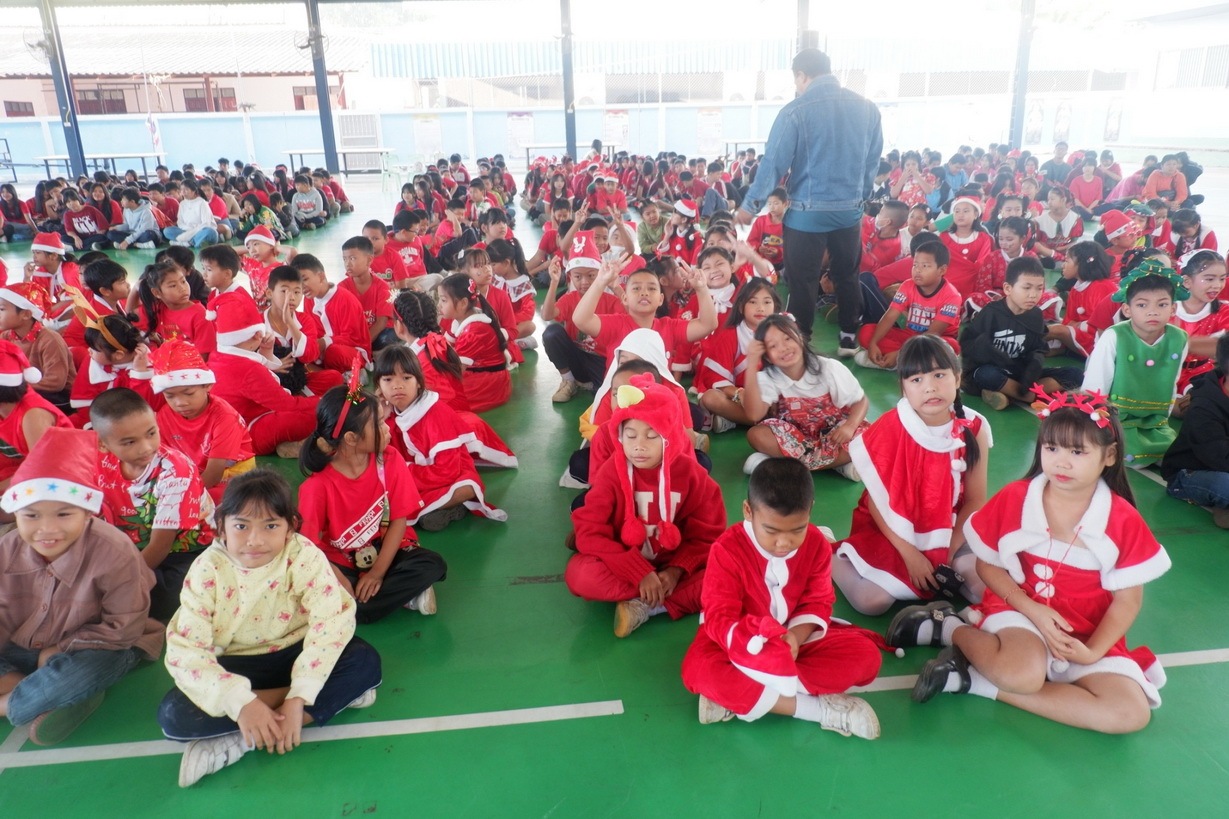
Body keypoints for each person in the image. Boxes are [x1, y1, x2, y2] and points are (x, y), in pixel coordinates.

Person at [891, 393, 1171, 733]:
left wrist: (1092, 652)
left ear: (1109, 455)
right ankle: (951, 628)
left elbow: (1128, 601)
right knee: (1022, 676)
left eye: (1077, 452)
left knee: (1129, 714)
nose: (1061, 462)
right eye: (1051, 448)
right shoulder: (1017, 497)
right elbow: (987, 566)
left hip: (1084, 631)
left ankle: (971, 681)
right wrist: (1033, 610)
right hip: (1020, 611)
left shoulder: (1123, 518)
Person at [157, 470, 382, 787]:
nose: (255, 540)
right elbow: (186, 651)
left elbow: (332, 620)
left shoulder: (302, 555)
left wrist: (298, 696)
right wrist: (242, 703)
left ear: (291, 526)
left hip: (297, 653)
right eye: (241, 526)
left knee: (363, 660)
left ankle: (245, 737)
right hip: (237, 663)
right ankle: (308, 707)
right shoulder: (208, 569)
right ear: (221, 526)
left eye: (271, 526)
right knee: (174, 714)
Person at [680, 457, 882, 736]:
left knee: (866, 656)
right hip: (739, 644)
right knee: (698, 669)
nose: (784, 542)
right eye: (771, 531)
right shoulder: (726, 550)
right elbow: (719, 617)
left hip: (794, 641)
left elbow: (818, 602)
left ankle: (741, 697)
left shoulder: (816, 544)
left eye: (797, 529)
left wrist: (793, 640)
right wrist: (756, 654)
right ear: (748, 511)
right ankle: (818, 709)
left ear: (810, 510)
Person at [0, 428, 163, 745]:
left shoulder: (115, 552)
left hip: (98, 648)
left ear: (87, 512)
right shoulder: (7, 548)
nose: (47, 529)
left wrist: (59, 650)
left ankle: (13, 703)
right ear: (15, 515)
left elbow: (124, 628)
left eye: (64, 514)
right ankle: (39, 690)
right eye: (31, 515)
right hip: (27, 645)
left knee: (88, 669)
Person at [833, 335, 992, 615]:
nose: (930, 387)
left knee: (984, 588)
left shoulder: (974, 427)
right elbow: (876, 503)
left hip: (952, 530)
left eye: (939, 375)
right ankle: (826, 551)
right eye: (916, 379)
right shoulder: (891, 428)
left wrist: (948, 553)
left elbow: (975, 500)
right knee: (872, 601)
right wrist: (911, 556)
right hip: (895, 530)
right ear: (903, 388)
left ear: (957, 378)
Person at [737, 49, 881, 353]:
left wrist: (750, 205)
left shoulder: (795, 111)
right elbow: (872, 161)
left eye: (796, 81)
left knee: (802, 279)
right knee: (847, 275)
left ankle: (800, 338)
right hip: (848, 213)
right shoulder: (868, 108)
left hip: (807, 214)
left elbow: (774, 163)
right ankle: (848, 336)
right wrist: (860, 197)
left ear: (801, 75)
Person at [566, 375, 726, 637]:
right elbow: (590, 529)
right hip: (626, 562)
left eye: (652, 436)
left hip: (674, 565)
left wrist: (676, 570)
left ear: (670, 436)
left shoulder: (694, 476)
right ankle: (662, 598)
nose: (639, 446)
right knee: (579, 575)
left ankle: (647, 606)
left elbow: (708, 535)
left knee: (727, 573)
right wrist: (639, 573)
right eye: (630, 435)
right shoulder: (611, 472)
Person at [298, 383, 448, 623]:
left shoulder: (389, 459)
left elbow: (399, 520)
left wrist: (377, 573)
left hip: (389, 547)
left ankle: (364, 604)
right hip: (343, 562)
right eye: (378, 423)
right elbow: (309, 548)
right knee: (320, 585)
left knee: (432, 564)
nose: (387, 427)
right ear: (351, 438)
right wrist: (340, 581)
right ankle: (401, 596)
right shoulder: (316, 487)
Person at [91, 388, 213, 622]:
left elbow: (161, 545)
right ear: (102, 444)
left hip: (186, 551)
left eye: (151, 433)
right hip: (129, 547)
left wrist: (118, 583)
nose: (146, 447)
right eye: (129, 442)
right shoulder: (96, 461)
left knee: (170, 594)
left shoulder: (176, 471)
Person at [375, 346, 507, 531]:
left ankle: (442, 506)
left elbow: (448, 471)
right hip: (416, 476)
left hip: (448, 474)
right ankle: (440, 508)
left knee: (466, 488)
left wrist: (404, 474)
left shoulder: (436, 413)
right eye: (388, 379)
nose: (397, 385)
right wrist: (380, 415)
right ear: (379, 386)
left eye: (406, 378)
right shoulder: (388, 412)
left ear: (419, 382)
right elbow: (380, 454)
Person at [1082, 260, 1189, 467]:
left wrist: (1163, 419)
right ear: (1127, 309)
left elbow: (1172, 383)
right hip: (1115, 418)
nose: (1152, 311)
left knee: (1178, 452)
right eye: (1142, 305)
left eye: (1162, 304)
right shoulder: (1115, 336)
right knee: (1127, 453)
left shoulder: (1179, 339)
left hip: (1154, 422)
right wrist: (1094, 422)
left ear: (1173, 308)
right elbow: (1095, 385)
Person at [740, 313, 868, 478]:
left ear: (800, 337)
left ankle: (779, 465)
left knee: (868, 437)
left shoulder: (829, 368)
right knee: (756, 434)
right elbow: (754, 415)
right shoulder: (768, 377)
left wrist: (850, 426)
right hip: (796, 440)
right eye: (773, 346)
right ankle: (836, 465)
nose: (783, 348)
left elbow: (861, 401)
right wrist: (751, 364)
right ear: (767, 357)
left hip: (835, 434)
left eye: (787, 338)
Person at [961, 256, 1083, 410]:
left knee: (1075, 374)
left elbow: (1038, 348)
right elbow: (969, 345)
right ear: (1008, 288)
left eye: (1039, 288)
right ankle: (1029, 397)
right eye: (1027, 288)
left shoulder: (1036, 315)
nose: (1033, 295)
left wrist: (1033, 366)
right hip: (992, 370)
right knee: (986, 375)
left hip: (1019, 373)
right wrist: (991, 354)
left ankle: (1009, 395)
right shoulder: (991, 313)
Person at [209, 298, 318, 458]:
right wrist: (322, 402)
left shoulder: (217, 355)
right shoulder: (248, 369)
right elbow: (286, 404)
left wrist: (266, 352)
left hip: (232, 428)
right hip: (248, 434)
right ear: (257, 334)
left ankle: (292, 442)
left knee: (326, 384)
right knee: (317, 413)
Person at [150, 338, 255, 505]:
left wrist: (181, 496)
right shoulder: (164, 415)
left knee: (221, 498)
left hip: (230, 474)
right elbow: (162, 459)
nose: (180, 402)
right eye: (170, 396)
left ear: (207, 385)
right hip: (192, 474)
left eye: (189, 393)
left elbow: (214, 474)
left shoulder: (224, 416)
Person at [541, 236, 624, 403]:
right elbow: (547, 315)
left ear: (600, 274)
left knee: (603, 397)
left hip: (602, 360)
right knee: (551, 333)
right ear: (570, 277)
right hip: (577, 356)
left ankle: (592, 384)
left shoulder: (611, 301)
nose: (584, 282)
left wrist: (616, 287)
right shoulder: (570, 298)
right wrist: (554, 283)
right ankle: (569, 380)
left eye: (591, 276)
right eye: (578, 277)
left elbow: (631, 318)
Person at [855, 240, 962, 370]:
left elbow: (933, 333)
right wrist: (873, 343)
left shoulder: (952, 296)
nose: (918, 270)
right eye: (915, 265)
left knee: (951, 347)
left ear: (942, 270)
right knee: (866, 332)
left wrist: (899, 354)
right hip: (909, 335)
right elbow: (889, 316)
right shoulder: (907, 285)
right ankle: (911, 363)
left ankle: (898, 361)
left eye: (925, 266)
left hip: (934, 340)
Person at [695, 278, 782, 432]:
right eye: (753, 302)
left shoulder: (784, 333)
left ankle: (736, 420)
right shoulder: (730, 335)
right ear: (741, 307)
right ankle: (768, 420)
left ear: (775, 306)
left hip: (778, 397)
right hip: (743, 398)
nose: (760, 308)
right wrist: (739, 393)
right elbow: (715, 378)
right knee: (710, 398)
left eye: (767, 302)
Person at [1161, 334, 1229, 529]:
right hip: (1191, 473)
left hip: (1220, 465)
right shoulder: (1204, 408)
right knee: (1225, 484)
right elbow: (1220, 458)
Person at [436, 273, 512, 412]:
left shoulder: (473, 331)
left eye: (443, 300)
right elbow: (443, 346)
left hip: (488, 383)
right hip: (479, 374)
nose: (439, 305)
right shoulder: (461, 319)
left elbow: (457, 370)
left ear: (463, 303)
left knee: (440, 396)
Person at [0, 282, 75, 410]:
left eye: (2, 309)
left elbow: (55, 382)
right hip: (21, 390)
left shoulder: (50, 340)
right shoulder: (6, 336)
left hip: (55, 399)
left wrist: (13, 386)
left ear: (26, 314)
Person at [293, 254, 372, 372]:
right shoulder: (309, 299)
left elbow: (352, 339)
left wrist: (325, 342)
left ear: (321, 276)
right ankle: (329, 374)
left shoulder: (345, 299)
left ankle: (352, 373)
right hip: (324, 350)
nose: (302, 287)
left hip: (352, 351)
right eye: (298, 283)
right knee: (297, 350)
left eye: (305, 279)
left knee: (334, 353)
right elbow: (313, 330)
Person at [136, 256, 216, 356]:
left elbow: (205, 354)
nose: (182, 288)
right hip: (169, 360)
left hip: (194, 363)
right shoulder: (159, 308)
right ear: (157, 293)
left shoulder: (199, 314)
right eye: (173, 285)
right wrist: (136, 288)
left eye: (183, 281)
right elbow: (130, 312)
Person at [337, 236, 397, 352]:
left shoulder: (382, 287)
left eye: (352, 258)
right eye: (344, 259)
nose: (347, 264)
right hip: (354, 336)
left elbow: (381, 322)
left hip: (377, 334)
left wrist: (361, 347)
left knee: (387, 338)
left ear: (369, 260)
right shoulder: (341, 288)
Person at [164, 179, 219, 248]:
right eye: (182, 190)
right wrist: (189, 230)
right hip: (187, 231)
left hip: (201, 231)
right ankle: (193, 242)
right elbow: (180, 222)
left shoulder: (202, 203)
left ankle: (187, 242)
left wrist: (191, 233)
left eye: (186, 189)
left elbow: (206, 224)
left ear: (193, 191)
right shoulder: (182, 204)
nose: (183, 192)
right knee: (167, 231)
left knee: (210, 232)